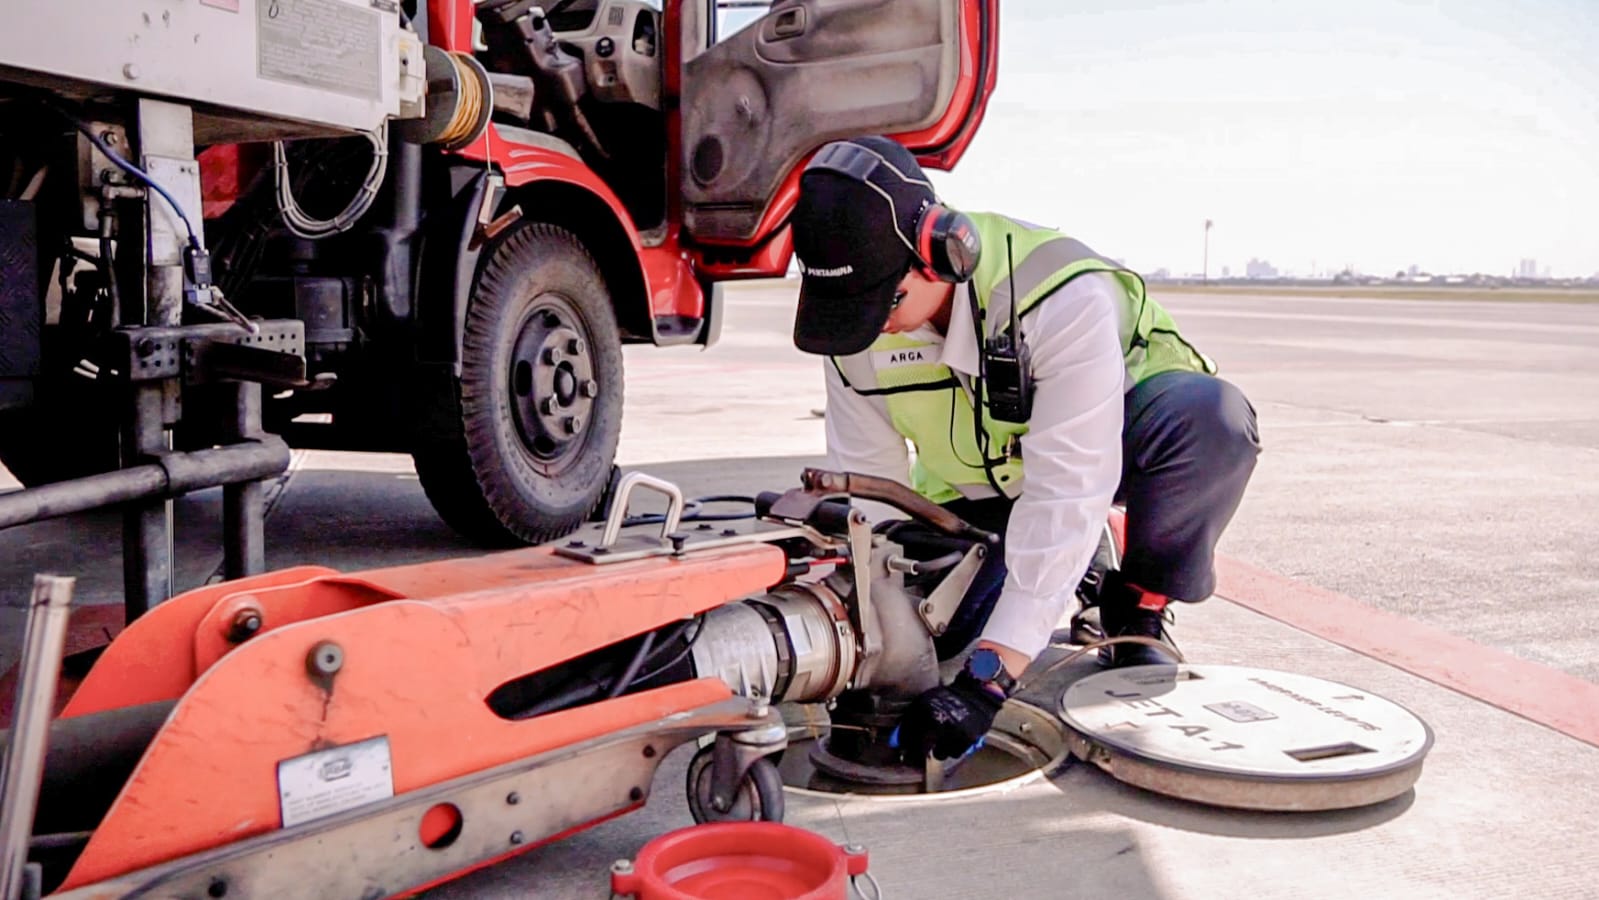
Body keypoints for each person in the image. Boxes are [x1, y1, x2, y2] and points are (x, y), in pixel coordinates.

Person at [787, 136, 1261, 764]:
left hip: (1119, 443)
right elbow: (870, 486)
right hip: (977, 496)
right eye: (852, 309)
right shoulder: (856, 332)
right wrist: (873, 620)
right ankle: (1073, 553)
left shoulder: (1055, 295)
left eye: (885, 301)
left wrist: (991, 677)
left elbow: (1070, 482)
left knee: (1209, 422)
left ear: (941, 252)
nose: (872, 325)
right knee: (934, 635)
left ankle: (1135, 604)